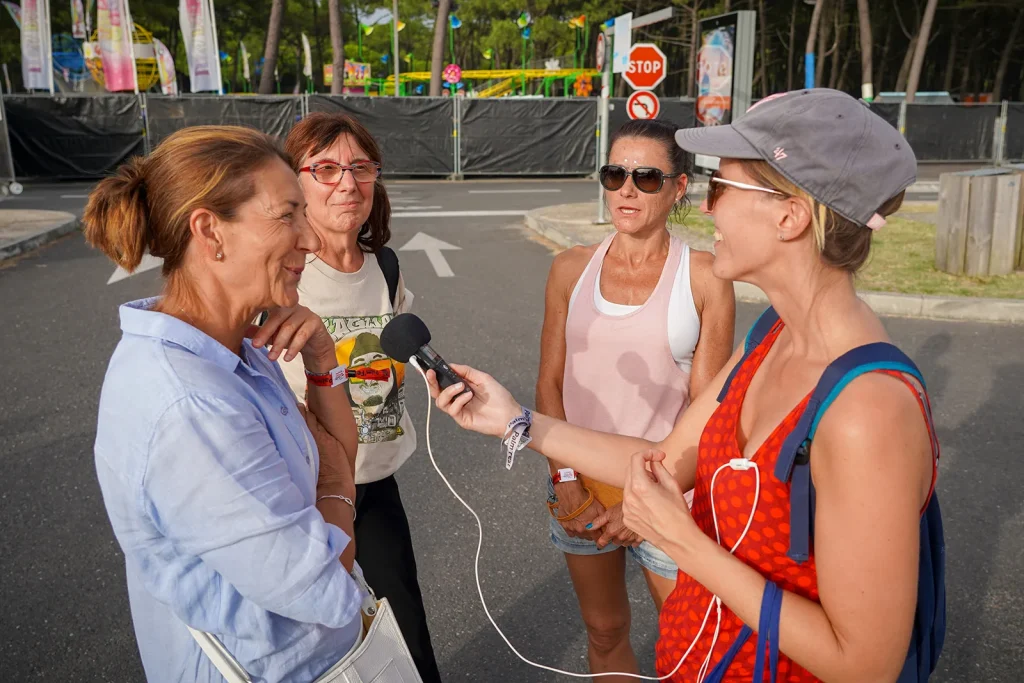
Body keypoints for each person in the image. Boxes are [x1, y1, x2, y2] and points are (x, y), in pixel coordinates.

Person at [426, 89, 943, 682]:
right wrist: (515, 419)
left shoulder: (865, 410)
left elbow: (866, 667)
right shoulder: (770, 338)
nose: (706, 209)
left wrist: (683, 541)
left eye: (721, 189)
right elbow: (660, 460)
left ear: (790, 215)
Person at [84, 126, 369, 681]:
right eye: (287, 215)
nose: (310, 241)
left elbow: (338, 451)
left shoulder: (231, 346)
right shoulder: (191, 404)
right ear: (210, 231)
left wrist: (320, 356)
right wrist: (338, 486)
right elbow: (326, 590)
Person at [536, 119, 734, 679]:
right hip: (579, 491)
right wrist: (564, 478)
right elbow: (550, 384)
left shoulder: (705, 277)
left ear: (678, 188)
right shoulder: (569, 268)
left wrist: (646, 501)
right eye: (615, 174)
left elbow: (708, 410)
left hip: (669, 491)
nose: (627, 188)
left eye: (646, 177)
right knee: (603, 630)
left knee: (689, 645)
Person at [279, 112, 442, 683]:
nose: (347, 183)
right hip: (302, 491)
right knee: (320, 643)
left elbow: (392, 355)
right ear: (293, 184)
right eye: (325, 169)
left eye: (360, 167)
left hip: (374, 479)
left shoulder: (386, 266)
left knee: (405, 634)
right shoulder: (282, 276)